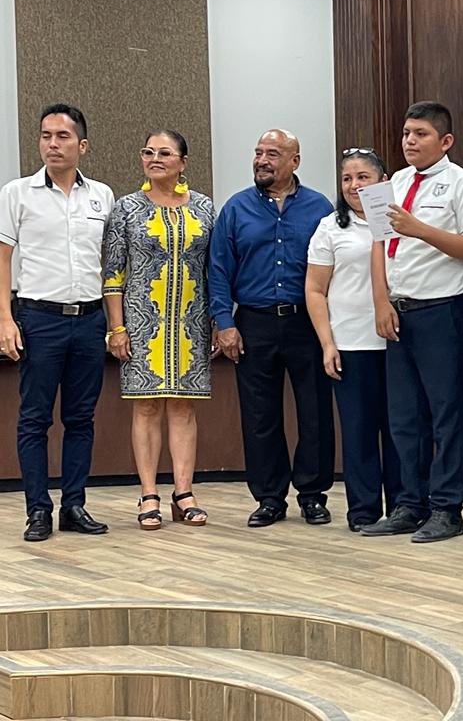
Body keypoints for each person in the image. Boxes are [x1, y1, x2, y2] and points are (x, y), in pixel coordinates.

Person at [360, 101, 463, 543]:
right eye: (405, 134)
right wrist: (380, 300)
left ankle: (447, 508)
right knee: (404, 416)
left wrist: (419, 228)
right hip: (400, 310)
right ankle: (409, 504)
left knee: (444, 414)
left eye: (420, 134)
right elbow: (378, 244)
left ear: (445, 141)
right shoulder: (391, 184)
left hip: (442, 310)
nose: (409, 142)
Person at [208, 129, 335, 528]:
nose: (262, 160)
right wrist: (224, 322)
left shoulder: (319, 208)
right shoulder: (235, 208)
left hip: (306, 322)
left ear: (295, 161)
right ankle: (268, 497)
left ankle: (313, 495)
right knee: (259, 415)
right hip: (253, 323)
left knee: (315, 411)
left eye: (273, 154)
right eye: (258, 152)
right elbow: (218, 269)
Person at [0, 103, 113, 541]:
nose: (52, 144)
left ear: (82, 145)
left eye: (62, 136)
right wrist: (5, 318)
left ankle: (74, 505)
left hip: (88, 319)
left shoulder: (101, 195)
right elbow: (3, 258)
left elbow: (110, 263)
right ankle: (38, 510)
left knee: (81, 418)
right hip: (38, 318)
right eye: (46, 135)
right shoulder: (17, 193)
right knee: (34, 419)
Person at [102, 130, 217, 530]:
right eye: (148, 152)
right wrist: (116, 328)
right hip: (140, 323)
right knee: (146, 405)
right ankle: (148, 492)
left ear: (183, 162)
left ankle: (183, 492)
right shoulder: (126, 209)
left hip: (191, 323)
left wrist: (219, 321)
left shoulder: (204, 208)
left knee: (184, 405)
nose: (155, 158)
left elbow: (214, 271)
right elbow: (113, 273)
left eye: (165, 153)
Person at [305, 147, 402, 533]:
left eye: (363, 177)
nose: (354, 185)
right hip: (351, 344)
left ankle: (404, 506)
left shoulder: (402, 221)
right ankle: (362, 511)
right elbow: (314, 290)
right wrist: (328, 343)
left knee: (400, 430)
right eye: (347, 178)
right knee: (359, 431)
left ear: (382, 180)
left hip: (397, 342)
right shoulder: (330, 228)